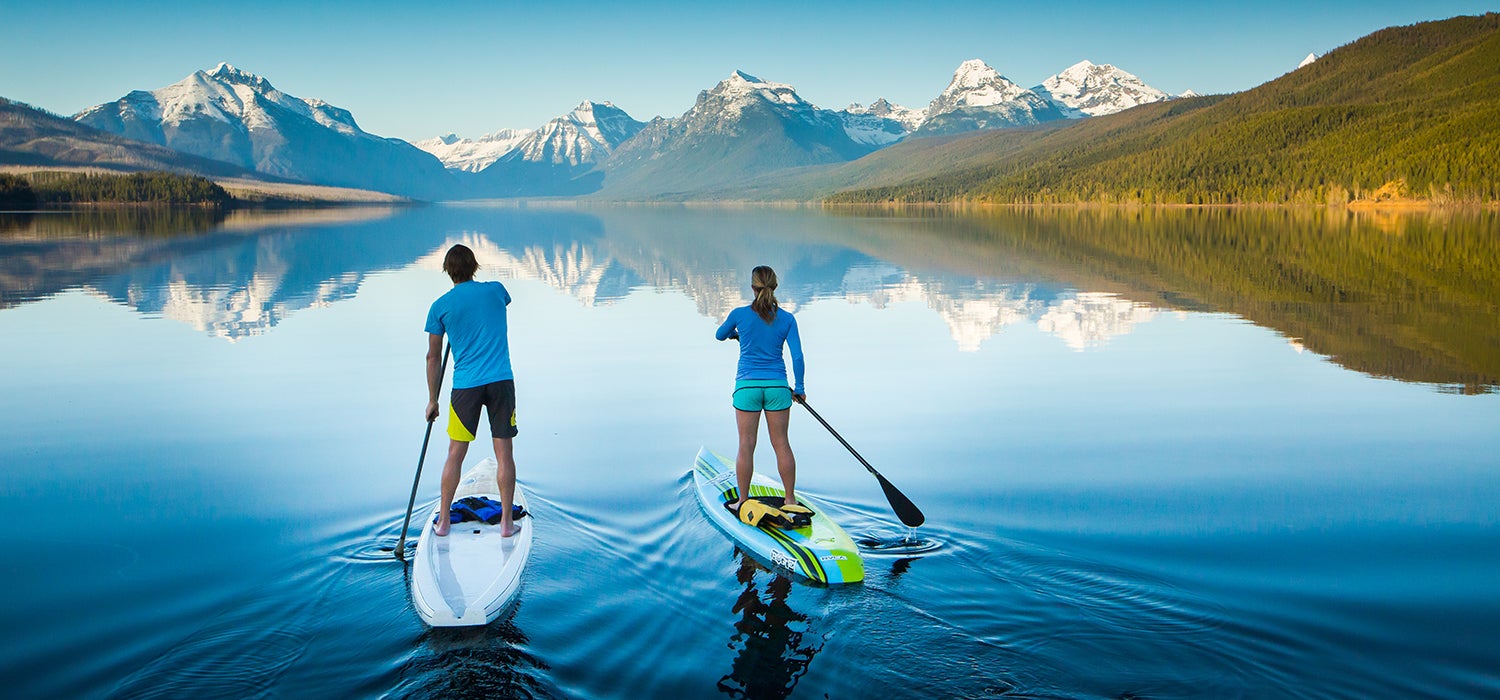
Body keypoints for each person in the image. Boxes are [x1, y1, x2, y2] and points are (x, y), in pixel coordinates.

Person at [424, 243, 521, 537]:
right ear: (475, 266)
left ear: (447, 271)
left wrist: (432, 401)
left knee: (455, 453)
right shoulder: (496, 290)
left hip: (465, 386)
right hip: (500, 382)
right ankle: (506, 523)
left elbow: (433, 356)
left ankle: (443, 523)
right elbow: (501, 303)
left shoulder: (440, 307)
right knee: (504, 453)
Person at [715, 265, 812, 527]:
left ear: (752, 287)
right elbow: (798, 356)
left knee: (746, 444)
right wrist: (799, 388)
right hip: (778, 388)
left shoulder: (740, 315)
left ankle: (742, 501)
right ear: (774, 287)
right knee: (781, 443)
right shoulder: (788, 319)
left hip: (747, 388)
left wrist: (738, 334)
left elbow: (719, 335)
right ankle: (789, 499)